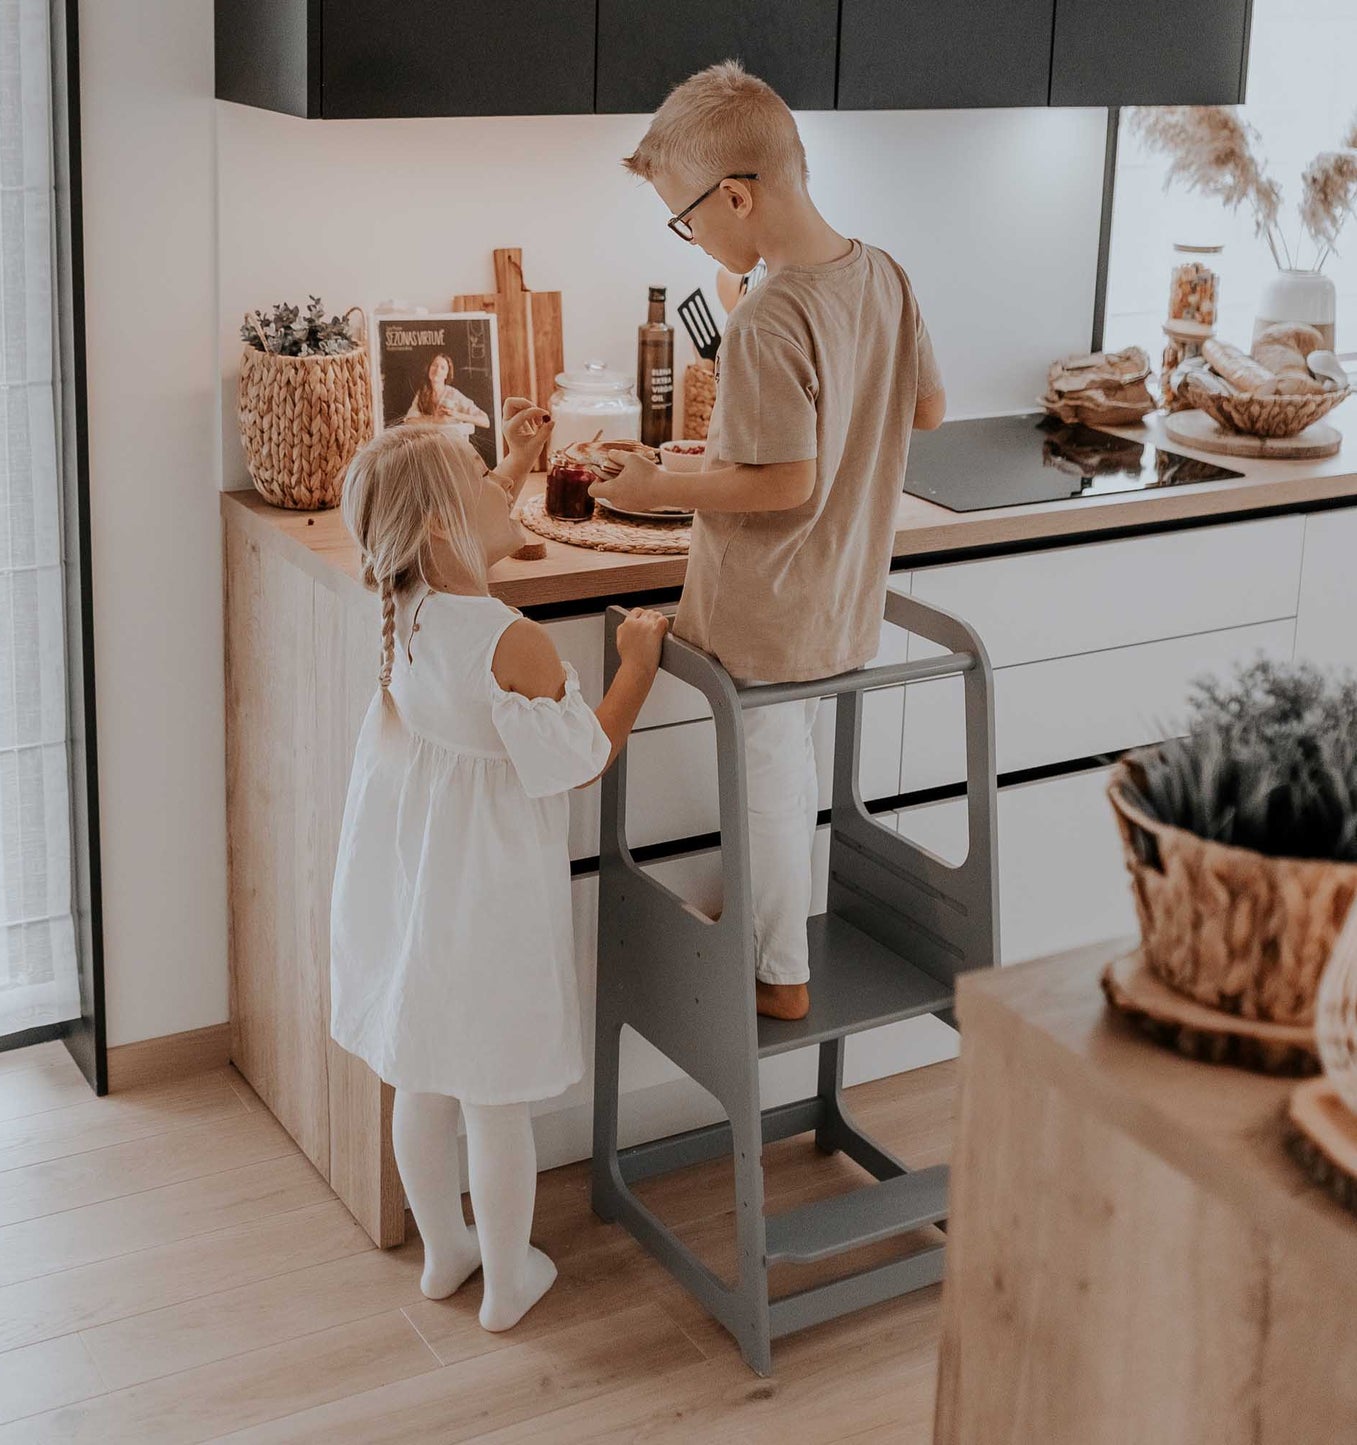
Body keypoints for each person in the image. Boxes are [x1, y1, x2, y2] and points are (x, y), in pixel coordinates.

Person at [590, 61, 947, 1023]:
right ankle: (764, 928)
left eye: (686, 217)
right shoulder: (882, 273)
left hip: (762, 609)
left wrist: (661, 483)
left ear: (737, 197)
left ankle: (777, 964)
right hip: (841, 600)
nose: (690, 234)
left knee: (767, 788)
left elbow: (786, 482)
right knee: (789, 775)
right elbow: (929, 409)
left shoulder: (766, 320)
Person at [331, 398, 668, 1332]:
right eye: (483, 482)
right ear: (443, 522)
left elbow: (469, 525)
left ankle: (447, 1251)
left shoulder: (408, 601)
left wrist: (518, 461)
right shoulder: (513, 641)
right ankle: (509, 1277)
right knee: (497, 1099)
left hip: (423, 890)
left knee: (426, 1078)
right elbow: (580, 757)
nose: (503, 491)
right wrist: (634, 666)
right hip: (490, 900)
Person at [404, 352, 490, 429]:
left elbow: (485, 422)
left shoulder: (453, 395)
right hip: (430, 442)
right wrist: (435, 420)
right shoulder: (423, 392)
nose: (437, 370)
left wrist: (456, 415)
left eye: (442, 368)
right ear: (428, 369)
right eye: (434, 365)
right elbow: (409, 421)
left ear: (446, 375)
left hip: (451, 441)